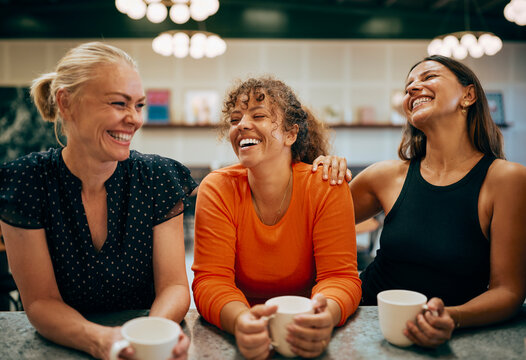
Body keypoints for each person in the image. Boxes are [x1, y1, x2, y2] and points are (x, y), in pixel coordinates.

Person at [0, 42, 196, 360]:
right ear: (66, 103)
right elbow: (40, 302)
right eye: (119, 103)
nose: (134, 118)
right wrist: (102, 340)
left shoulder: (157, 178)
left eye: (139, 105)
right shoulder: (27, 182)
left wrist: (151, 336)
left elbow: (174, 286)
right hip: (62, 346)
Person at [314, 55, 526, 348]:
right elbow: (309, 222)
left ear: (468, 95)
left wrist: (451, 318)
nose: (413, 88)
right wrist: (321, 173)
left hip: (449, 337)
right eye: (409, 85)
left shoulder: (507, 179)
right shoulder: (384, 176)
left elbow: (509, 292)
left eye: (428, 77)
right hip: (365, 322)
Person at [192, 77, 361, 359]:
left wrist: (324, 316)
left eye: (258, 115)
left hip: (305, 324)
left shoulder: (325, 186)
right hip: (241, 324)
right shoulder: (217, 188)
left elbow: (340, 278)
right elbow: (211, 280)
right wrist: (242, 322)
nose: (242, 125)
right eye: (235, 119)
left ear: (291, 134)